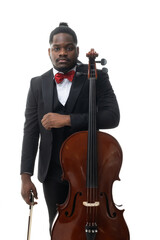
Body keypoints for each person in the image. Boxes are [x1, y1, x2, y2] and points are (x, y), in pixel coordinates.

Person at [20, 22, 120, 233]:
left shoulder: (97, 76)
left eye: (69, 47)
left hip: (90, 170)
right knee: (59, 230)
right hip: (52, 172)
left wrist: (67, 120)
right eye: (57, 48)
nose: (62, 52)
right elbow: (30, 131)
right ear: (50, 51)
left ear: (77, 50)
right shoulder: (37, 84)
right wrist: (25, 176)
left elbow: (112, 117)